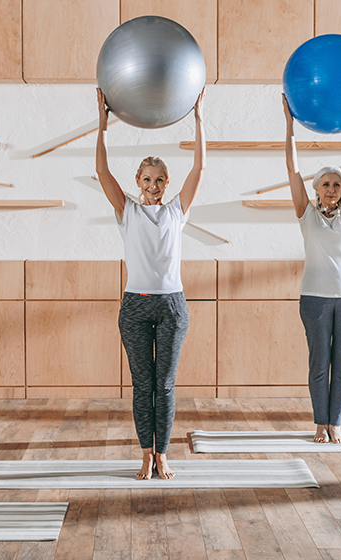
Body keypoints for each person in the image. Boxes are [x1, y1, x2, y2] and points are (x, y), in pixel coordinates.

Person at [95, 87, 205, 479]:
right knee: (144, 386)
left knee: (166, 386)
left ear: (166, 182)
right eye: (147, 179)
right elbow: (102, 173)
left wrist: (198, 118)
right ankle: (146, 452)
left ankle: (163, 454)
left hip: (172, 305)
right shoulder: (127, 211)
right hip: (136, 307)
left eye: (160, 179)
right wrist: (103, 125)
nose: (154, 185)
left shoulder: (178, 211)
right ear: (138, 181)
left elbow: (199, 171)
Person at [283, 94, 341, 444]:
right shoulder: (306, 214)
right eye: (326, 184)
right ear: (316, 189)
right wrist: (289, 124)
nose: (332, 189)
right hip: (315, 298)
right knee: (319, 364)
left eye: (338, 184)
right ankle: (319, 423)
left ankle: (335, 422)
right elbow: (292, 170)